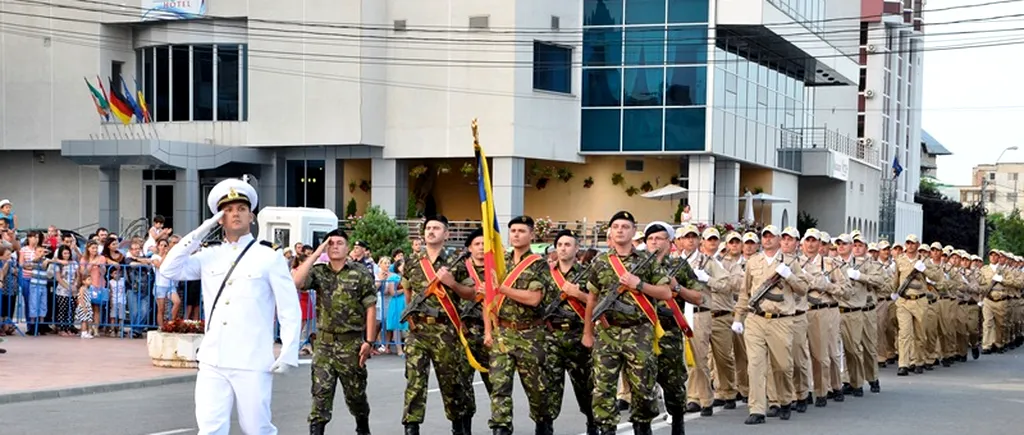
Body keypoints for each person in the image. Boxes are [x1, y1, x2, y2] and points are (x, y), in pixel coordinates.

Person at [159, 177, 301, 435]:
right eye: (228, 210)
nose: (235, 214)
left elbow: (289, 308)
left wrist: (289, 351)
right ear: (220, 219)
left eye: (242, 209)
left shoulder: (269, 256)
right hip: (214, 358)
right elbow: (170, 269)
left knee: (257, 429)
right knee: (210, 428)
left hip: (252, 359)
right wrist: (203, 229)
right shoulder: (210, 254)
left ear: (252, 216)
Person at [583, 211, 671, 435]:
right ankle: (606, 428)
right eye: (616, 226)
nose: (620, 230)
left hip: (638, 331)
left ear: (633, 232)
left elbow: (666, 293)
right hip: (606, 332)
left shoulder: (646, 261)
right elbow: (592, 299)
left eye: (625, 226)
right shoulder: (600, 262)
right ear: (610, 232)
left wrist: (639, 284)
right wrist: (587, 332)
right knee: (602, 388)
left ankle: (643, 426)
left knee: (643, 387)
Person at [292, 229, 377, 435]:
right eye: (331, 243)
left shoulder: (360, 273)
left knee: (356, 395)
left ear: (348, 248)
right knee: (320, 396)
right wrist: (315, 254)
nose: (335, 246)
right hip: (324, 344)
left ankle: (362, 428)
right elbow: (296, 282)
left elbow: (370, 307)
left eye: (340, 243)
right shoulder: (319, 272)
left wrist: (369, 341)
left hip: (351, 344)